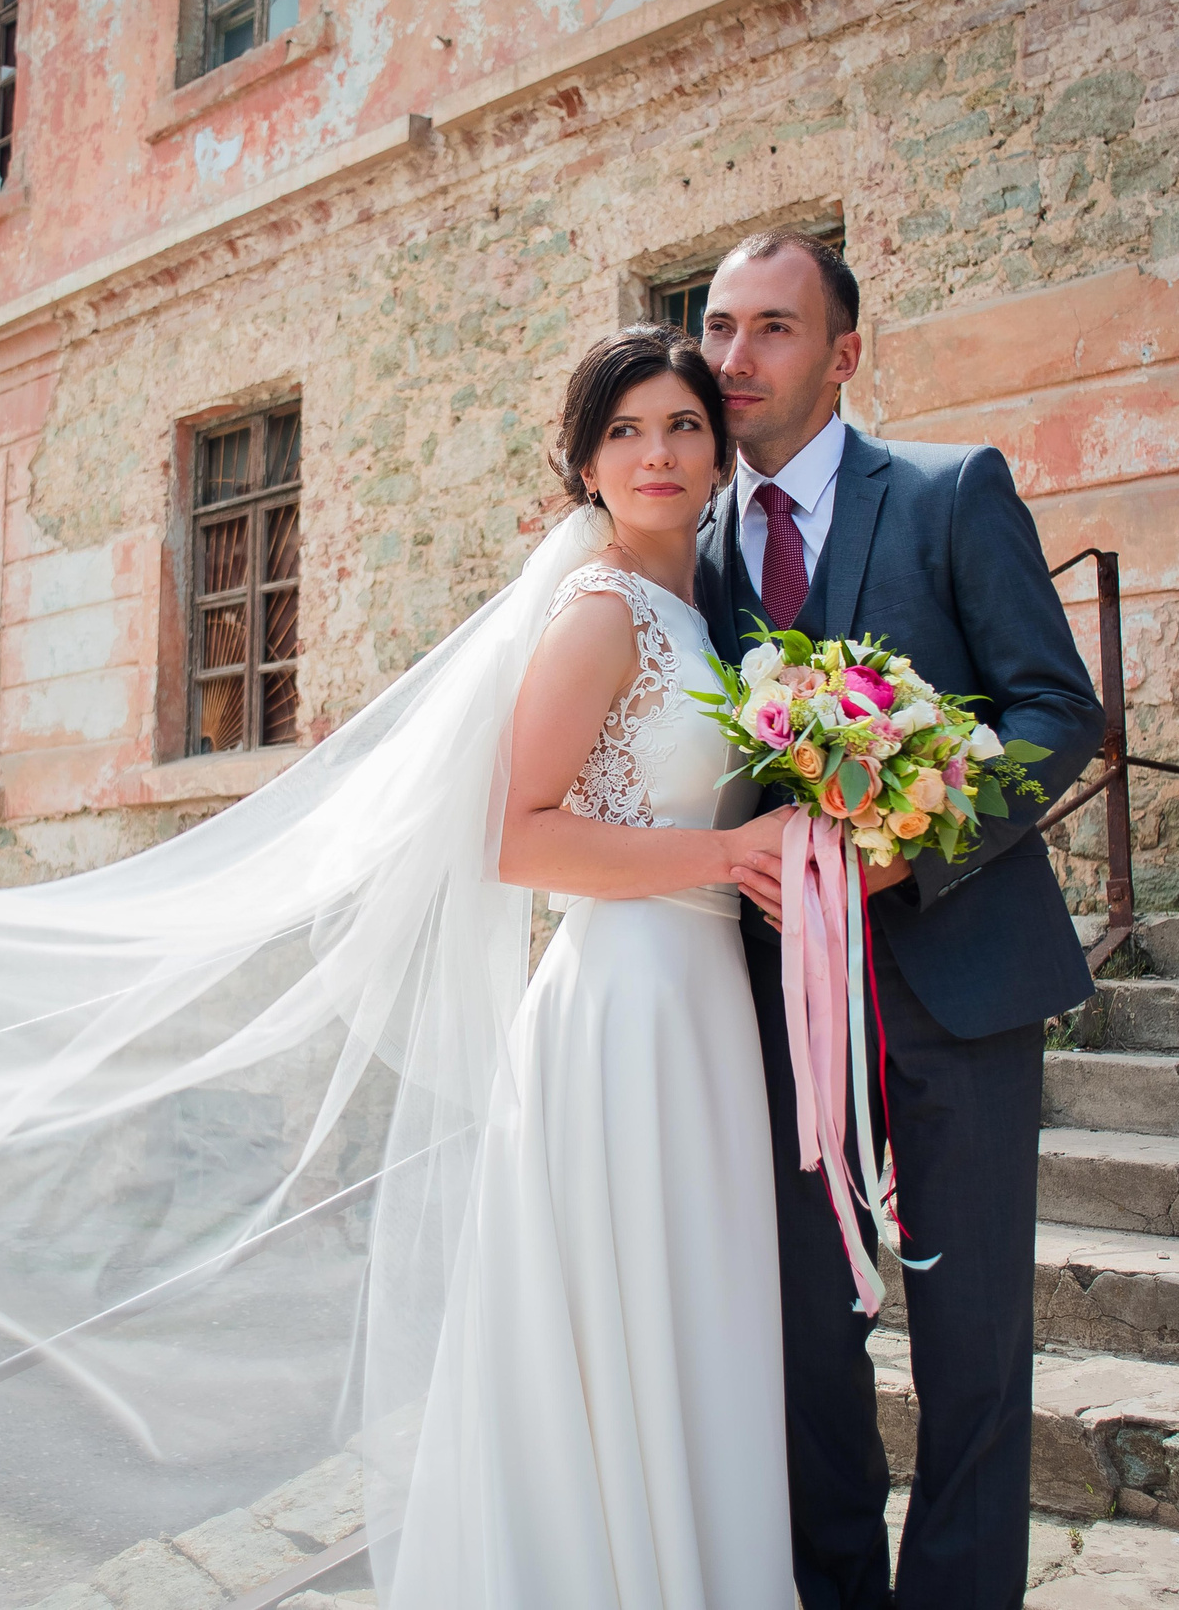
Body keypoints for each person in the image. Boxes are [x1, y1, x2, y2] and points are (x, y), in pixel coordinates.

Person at [692, 230, 1105, 1610]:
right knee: (808, 1349)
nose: (733, 360)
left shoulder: (946, 492)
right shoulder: (681, 543)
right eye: (717, 327)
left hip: (959, 983)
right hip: (765, 1010)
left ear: (844, 353)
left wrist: (911, 842)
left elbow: (1057, 707)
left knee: (974, 1345)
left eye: (772, 330)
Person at [387, 323, 795, 1607]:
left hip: (703, 1004)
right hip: (621, 1004)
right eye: (622, 431)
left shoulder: (708, 611)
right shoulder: (601, 612)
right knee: (628, 1322)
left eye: (680, 423)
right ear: (584, 466)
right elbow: (518, 837)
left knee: (696, 1325)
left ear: (720, 447)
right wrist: (729, 853)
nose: (656, 452)